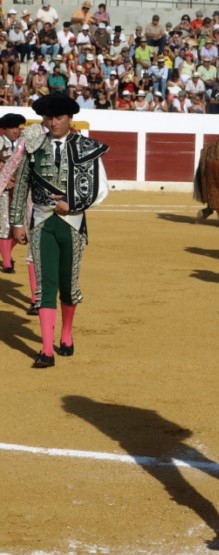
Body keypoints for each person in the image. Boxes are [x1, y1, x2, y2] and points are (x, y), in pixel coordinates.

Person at [10, 94, 109, 368]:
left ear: (70, 119)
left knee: (68, 284)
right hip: (41, 223)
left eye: (58, 118)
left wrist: (73, 203)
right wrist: (17, 221)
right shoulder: (34, 146)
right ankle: (46, 350)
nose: (52, 123)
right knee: (45, 286)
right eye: (48, 118)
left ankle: (66, 334)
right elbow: (21, 187)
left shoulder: (86, 146)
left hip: (73, 225)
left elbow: (100, 189)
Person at [0, 113, 26, 274]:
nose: (16, 131)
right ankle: (7, 262)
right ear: (4, 130)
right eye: (13, 127)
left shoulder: (22, 144)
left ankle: (6, 254)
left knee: (20, 228)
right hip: (2, 192)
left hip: (19, 191)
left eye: (18, 127)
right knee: (4, 226)